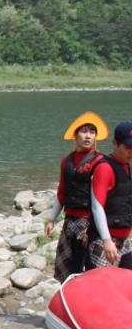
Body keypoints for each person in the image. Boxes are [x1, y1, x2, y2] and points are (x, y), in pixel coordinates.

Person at [45, 112, 108, 281]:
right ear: (75, 135)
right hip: (69, 220)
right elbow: (62, 191)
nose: (88, 136)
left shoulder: (100, 162)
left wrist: (93, 227)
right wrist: (51, 220)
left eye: (92, 132)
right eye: (84, 131)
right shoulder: (66, 161)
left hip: (89, 222)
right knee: (69, 268)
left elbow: (104, 199)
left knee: (87, 269)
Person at [88, 121, 132, 269]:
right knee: (101, 282)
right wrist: (107, 240)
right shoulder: (104, 168)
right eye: (127, 147)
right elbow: (97, 207)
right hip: (104, 241)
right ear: (115, 144)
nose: (131, 152)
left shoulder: (127, 167)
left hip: (124, 240)